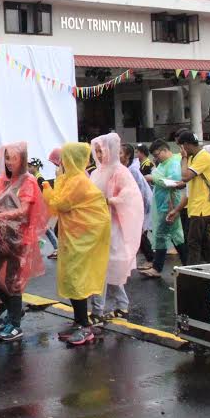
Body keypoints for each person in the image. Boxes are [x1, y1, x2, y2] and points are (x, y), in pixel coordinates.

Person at [0, 142, 48, 341]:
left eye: (13, 158)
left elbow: (24, 211)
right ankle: (14, 311)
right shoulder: (2, 181)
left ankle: (15, 324)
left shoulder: (28, 181)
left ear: (22, 159)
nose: (9, 162)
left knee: (13, 281)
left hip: (18, 240)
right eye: (6, 158)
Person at [41, 142, 111, 346]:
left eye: (64, 158)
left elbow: (60, 204)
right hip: (73, 237)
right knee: (71, 279)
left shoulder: (78, 180)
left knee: (77, 279)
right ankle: (79, 321)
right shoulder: (71, 179)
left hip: (82, 239)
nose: (61, 162)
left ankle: (85, 327)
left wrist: (46, 187)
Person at [88, 134, 143, 323]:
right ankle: (121, 305)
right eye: (96, 151)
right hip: (98, 225)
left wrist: (110, 201)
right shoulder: (97, 172)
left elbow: (131, 196)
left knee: (102, 268)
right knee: (107, 268)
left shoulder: (120, 172)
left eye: (101, 151)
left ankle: (98, 310)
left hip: (112, 227)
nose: (98, 155)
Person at [140, 139, 188, 278]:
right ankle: (186, 265)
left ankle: (158, 267)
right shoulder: (164, 163)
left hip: (169, 204)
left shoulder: (174, 163)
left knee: (165, 235)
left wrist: (153, 178)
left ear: (165, 150)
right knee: (172, 235)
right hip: (163, 204)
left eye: (157, 154)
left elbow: (176, 182)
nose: (156, 158)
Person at [169, 131, 210, 265]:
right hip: (197, 207)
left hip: (202, 208)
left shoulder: (203, 157)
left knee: (193, 243)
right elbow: (189, 187)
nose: (180, 150)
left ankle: (191, 272)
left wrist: (184, 158)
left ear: (186, 145)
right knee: (206, 243)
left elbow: (185, 176)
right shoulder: (194, 158)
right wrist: (177, 209)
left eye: (181, 146)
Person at [28, 158, 59, 257]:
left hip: (40, 208)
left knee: (45, 229)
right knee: (40, 229)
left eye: (30, 166)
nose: (28, 168)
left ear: (36, 167)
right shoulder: (36, 178)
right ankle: (36, 249)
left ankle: (56, 247)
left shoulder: (39, 178)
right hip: (38, 208)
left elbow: (43, 194)